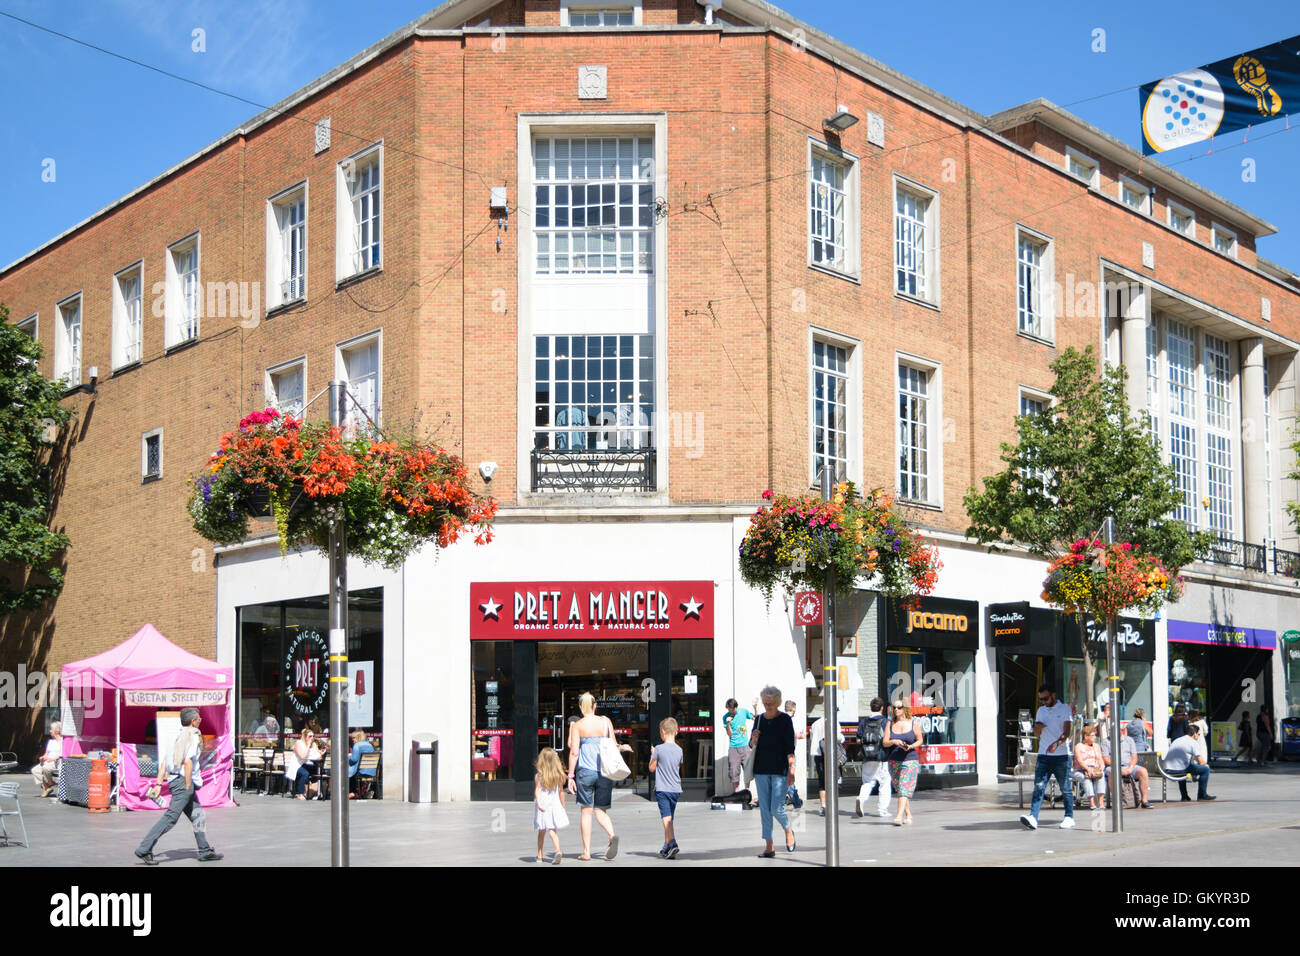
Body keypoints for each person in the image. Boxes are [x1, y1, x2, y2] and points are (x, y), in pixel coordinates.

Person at [134, 708, 222, 865]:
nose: (200, 721)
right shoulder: (193, 736)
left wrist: (159, 784)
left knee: (198, 815)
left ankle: (204, 850)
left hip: (177, 780)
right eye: (199, 719)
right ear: (193, 721)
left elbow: (163, 764)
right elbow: (188, 761)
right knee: (170, 818)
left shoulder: (176, 736)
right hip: (183, 783)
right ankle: (144, 849)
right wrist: (188, 784)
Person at [566, 692, 633, 861]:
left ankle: (586, 852)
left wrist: (570, 776)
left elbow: (574, 752)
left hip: (585, 772)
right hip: (605, 773)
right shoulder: (605, 722)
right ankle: (611, 835)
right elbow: (613, 745)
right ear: (595, 706)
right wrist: (622, 747)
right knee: (600, 811)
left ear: (581, 707)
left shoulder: (578, 725)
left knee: (586, 813)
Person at [1020, 683, 1076, 831]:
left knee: (1065, 788)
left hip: (1062, 755)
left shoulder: (1065, 709)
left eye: (1045, 698)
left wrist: (1056, 744)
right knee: (1038, 786)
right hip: (1044, 755)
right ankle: (1033, 816)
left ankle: (1069, 817)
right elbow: (1038, 734)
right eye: (1041, 699)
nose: (1044, 702)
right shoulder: (1041, 711)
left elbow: (1067, 732)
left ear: (1053, 695)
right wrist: (1037, 730)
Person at [749, 686, 796, 857]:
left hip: (779, 770)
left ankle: (788, 830)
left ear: (777, 702)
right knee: (764, 810)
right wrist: (753, 739)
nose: (767, 706)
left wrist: (791, 769)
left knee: (776, 808)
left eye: (771, 703)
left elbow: (790, 747)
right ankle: (769, 846)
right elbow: (751, 745)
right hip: (761, 769)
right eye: (765, 703)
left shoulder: (784, 720)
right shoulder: (759, 719)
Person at [883, 698, 923, 826]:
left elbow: (920, 740)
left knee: (904, 787)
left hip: (910, 759)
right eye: (894, 707)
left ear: (904, 708)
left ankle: (898, 816)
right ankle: (908, 814)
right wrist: (894, 742)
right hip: (894, 761)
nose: (896, 710)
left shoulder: (913, 723)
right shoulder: (890, 723)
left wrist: (910, 746)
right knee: (901, 788)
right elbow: (885, 742)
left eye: (899, 707)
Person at [648, 717, 683, 859]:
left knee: (666, 818)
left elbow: (651, 768)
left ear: (663, 732)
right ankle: (666, 846)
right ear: (676, 731)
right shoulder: (680, 750)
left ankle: (673, 843)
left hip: (663, 789)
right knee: (669, 818)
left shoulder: (658, 749)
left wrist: (652, 755)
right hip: (675, 789)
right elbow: (678, 767)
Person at [1101, 722, 1152, 809]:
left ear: (1122, 730)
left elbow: (1134, 757)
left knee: (1143, 771)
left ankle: (1144, 800)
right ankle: (1117, 801)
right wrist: (1118, 768)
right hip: (1113, 766)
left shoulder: (1129, 740)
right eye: (1111, 731)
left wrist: (1131, 767)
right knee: (1111, 772)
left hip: (1128, 766)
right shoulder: (1106, 742)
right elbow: (1106, 759)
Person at [855, 697, 891, 818]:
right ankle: (883, 810)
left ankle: (861, 798)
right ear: (882, 708)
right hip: (881, 758)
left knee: (867, 782)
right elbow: (888, 739)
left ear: (871, 708)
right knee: (884, 783)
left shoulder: (864, 722)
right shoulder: (885, 722)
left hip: (866, 757)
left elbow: (858, 739)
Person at [533, 747, 569, 864]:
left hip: (543, 806)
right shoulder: (558, 776)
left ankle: (539, 855)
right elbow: (561, 792)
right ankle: (557, 850)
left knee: (541, 831)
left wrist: (538, 802)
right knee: (552, 831)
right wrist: (563, 806)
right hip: (553, 805)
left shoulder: (539, 776)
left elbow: (537, 790)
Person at [1164, 723, 1214, 801]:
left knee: (1183, 765)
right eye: (1198, 734)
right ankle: (1202, 795)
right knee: (1205, 770)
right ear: (1194, 734)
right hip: (1180, 769)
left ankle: (1184, 796)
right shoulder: (1193, 743)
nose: (1198, 736)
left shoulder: (1177, 740)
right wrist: (1206, 765)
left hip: (1167, 769)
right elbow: (1201, 762)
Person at [808, 711, 845, 817]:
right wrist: (843, 738)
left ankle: (823, 806)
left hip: (818, 754)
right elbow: (838, 737)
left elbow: (812, 738)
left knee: (822, 781)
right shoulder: (834, 722)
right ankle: (832, 805)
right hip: (830, 754)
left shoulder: (815, 724)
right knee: (834, 779)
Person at [723, 697, 756, 797]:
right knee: (734, 771)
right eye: (729, 709)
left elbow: (756, 718)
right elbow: (729, 734)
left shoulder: (743, 712)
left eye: (732, 709)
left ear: (736, 707)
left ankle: (747, 792)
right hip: (733, 747)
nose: (731, 711)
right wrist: (728, 723)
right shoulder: (726, 717)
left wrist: (755, 708)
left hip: (745, 746)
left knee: (747, 769)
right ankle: (737, 793)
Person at [1072, 724, 1107, 811]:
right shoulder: (1078, 746)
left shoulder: (1096, 746)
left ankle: (1101, 802)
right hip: (1080, 770)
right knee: (1086, 779)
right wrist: (1088, 769)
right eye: (1093, 735)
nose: (1095, 737)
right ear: (1086, 736)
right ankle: (1092, 803)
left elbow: (1099, 758)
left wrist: (1102, 766)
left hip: (1094, 769)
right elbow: (1080, 761)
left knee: (1101, 777)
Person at [286, 729, 322, 800]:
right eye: (310, 736)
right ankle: (300, 793)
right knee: (305, 774)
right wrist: (308, 746)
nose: (312, 738)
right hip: (296, 765)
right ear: (305, 737)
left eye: (313, 736)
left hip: (306, 764)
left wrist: (320, 753)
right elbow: (302, 756)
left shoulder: (314, 744)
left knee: (318, 772)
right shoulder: (299, 743)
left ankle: (315, 792)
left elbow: (318, 755)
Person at [783, 700, 805, 809]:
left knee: (782, 777)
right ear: (794, 709)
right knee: (790, 777)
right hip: (789, 753)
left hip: (778, 753)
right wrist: (803, 735)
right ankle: (796, 801)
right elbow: (797, 734)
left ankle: (782, 800)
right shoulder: (793, 720)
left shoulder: (779, 718)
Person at [31, 721, 62, 797]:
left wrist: (52, 759)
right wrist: (43, 757)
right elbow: (46, 753)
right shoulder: (51, 742)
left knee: (46, 768)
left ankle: (49, 784)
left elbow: (62, 754)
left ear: (57, 731)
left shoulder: (63, 741)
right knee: (35, 770)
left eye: (51, 729)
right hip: (48, 760)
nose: (50, 731)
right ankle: (47, 786)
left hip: (56, 761)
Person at [347, 730, 376, 798]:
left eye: (353, 738)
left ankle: (352, 792)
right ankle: (358, 792)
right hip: (371, 770)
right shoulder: (369, 745)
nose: (352, 740)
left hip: (361, 771)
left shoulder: (357, 745)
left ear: (358, 737)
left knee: (347, 771)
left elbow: (354, 759)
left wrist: (348, 757)